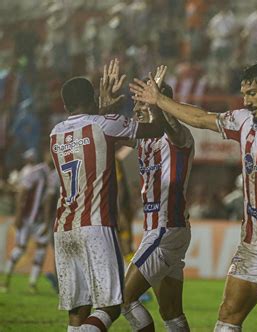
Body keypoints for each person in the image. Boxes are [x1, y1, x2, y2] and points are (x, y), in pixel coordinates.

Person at [130, 60, 257, 331]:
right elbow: (200, 117)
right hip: (253, 243)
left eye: (253, 94)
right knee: (227, 316)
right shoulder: (243, 121)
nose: (247, 101)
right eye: (244, 94)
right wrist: (158, 100)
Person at [49, 59, 165, 331]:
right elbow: (155, 130)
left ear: (65, 106)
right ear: (92, 97)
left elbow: (88, 125)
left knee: (79, 308)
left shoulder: (55, 133)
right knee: (112, 305)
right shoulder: (105, 125)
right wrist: (155, 101)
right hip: (95, 225)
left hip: (63, 228)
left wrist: (103, 106)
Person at [119, 71, 195, 331]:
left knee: (124, 299)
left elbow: (170, 126)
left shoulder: (178, 135)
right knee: (171, 311)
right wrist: (104, 105)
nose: (137, 109)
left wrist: (158, 103)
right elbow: (110, 134)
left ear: (160, 103)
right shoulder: (144, 136)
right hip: (162, 229)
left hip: (166, 230)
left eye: (143, 103)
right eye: (137, 103)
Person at [0, 149, 52, 293]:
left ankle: (32, 284)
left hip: (41, 220)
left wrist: (48, 221)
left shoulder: (55, 174)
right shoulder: (36, 171)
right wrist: (18, 215)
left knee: (41, 249)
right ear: (46, 155)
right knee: (20, 248)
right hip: (27, 217)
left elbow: (49, 200)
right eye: (51, 153)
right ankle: (5, 282)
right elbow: (22, 192)